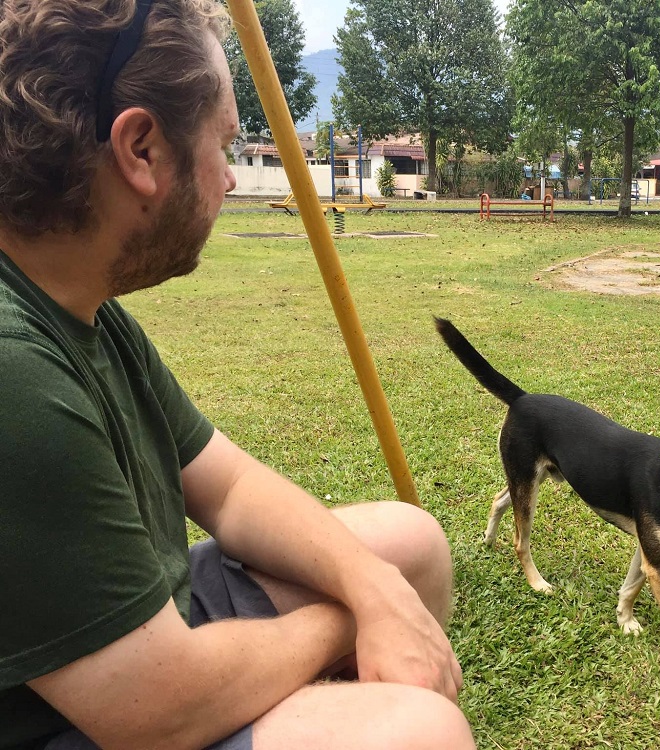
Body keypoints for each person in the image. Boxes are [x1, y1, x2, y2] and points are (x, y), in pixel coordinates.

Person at [0, 1, 475, 748]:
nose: (228, 177)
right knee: (419, 733)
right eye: (223, 144)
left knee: (407, 545)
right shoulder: (13, 370)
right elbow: (152, 710)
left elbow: (228, 486)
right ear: (141, 149)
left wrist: (373, 582)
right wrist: (354, 615)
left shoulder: (79, 307)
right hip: (75, 717)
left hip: (146, 641)